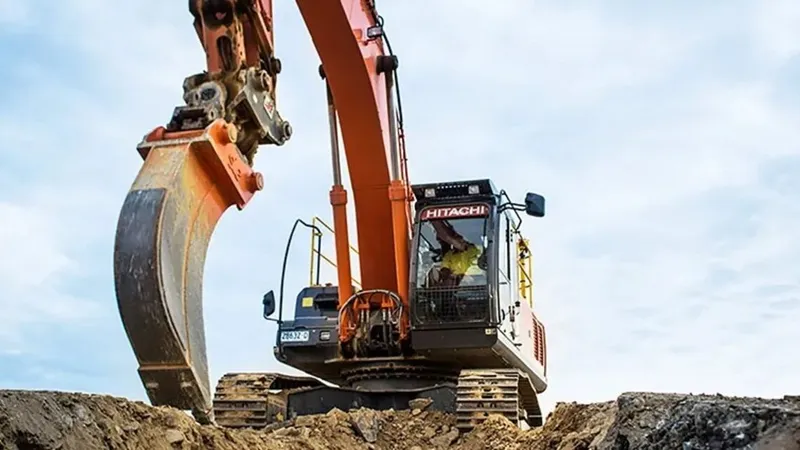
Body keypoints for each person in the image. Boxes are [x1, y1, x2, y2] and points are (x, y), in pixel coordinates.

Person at [428, 220, 483, 288]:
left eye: (460, 238)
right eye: (456, 238)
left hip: (478, 285)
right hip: (458, 286)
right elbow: (445, 269)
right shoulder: (449, 255)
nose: (459, 240)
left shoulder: (479, 250)